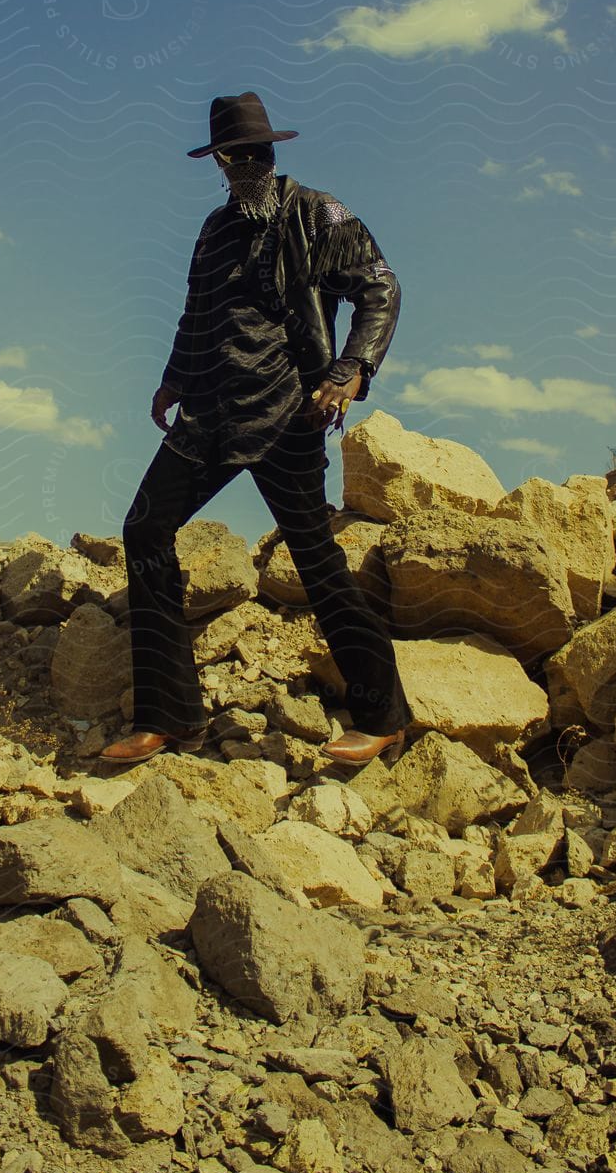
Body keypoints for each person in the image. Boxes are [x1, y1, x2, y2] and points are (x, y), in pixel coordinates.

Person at [99, 91, 411, 770]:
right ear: (218, 163)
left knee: (316, 560)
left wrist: (352, 365)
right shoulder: (213, 232)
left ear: (274, 153)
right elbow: (195, 312)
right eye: (233, 158)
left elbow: (380, 288)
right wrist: (174, 378)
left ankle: (383, 717)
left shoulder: (320, 214)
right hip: (209, 411)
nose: (247, 166)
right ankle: (169, 715)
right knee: (144, 529)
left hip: (288, 413)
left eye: (257, 154)